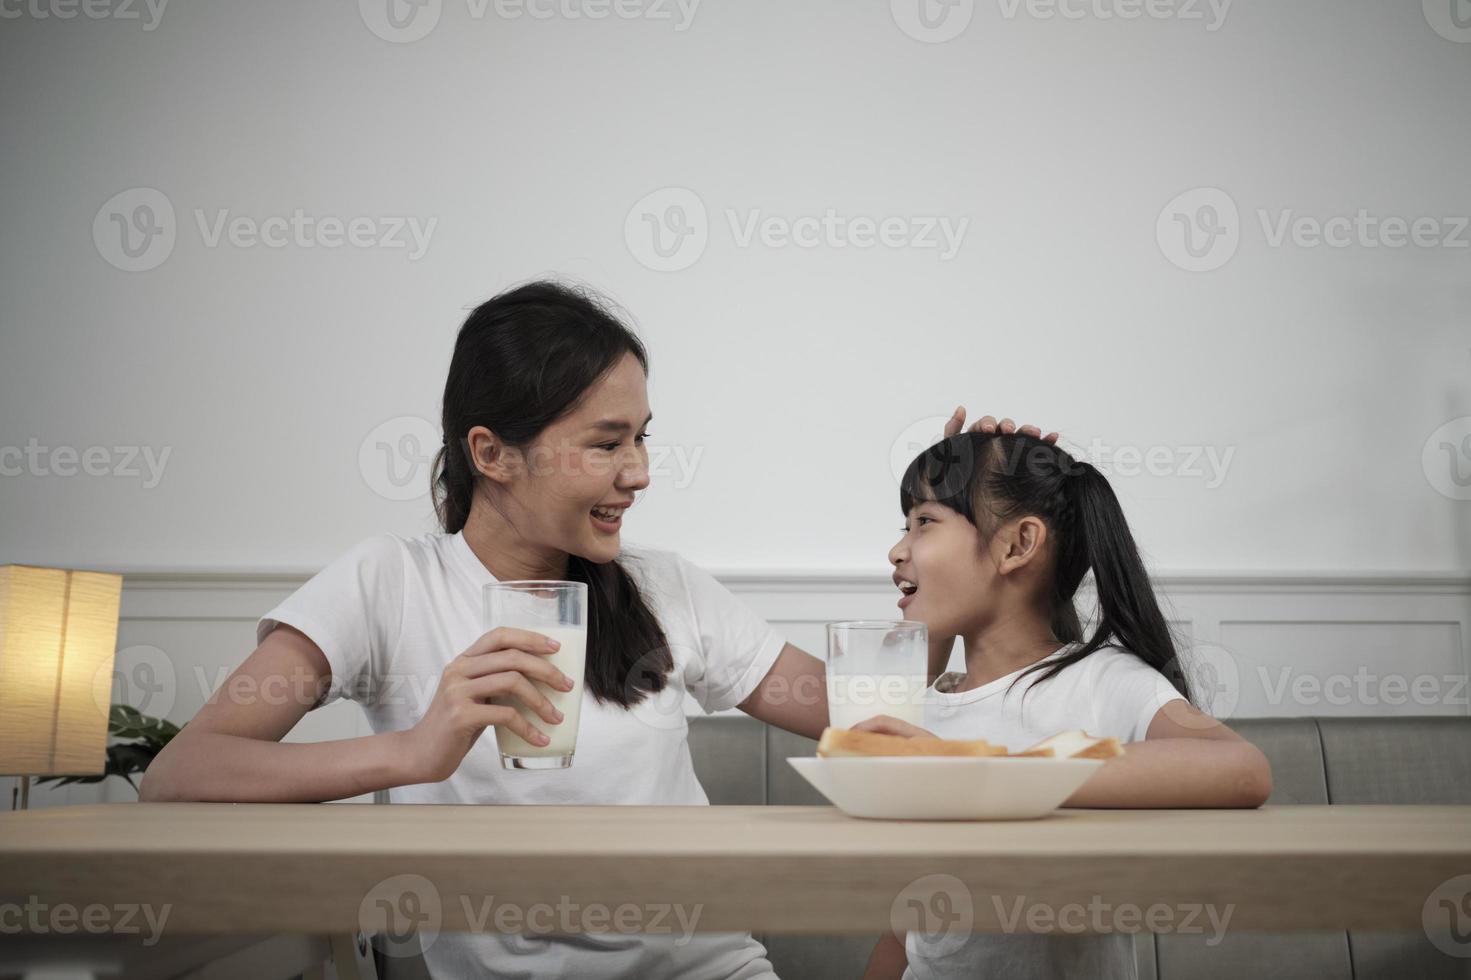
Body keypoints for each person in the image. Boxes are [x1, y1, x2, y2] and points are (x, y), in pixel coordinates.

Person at [857, 431, 1272, 980]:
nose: (897, 550)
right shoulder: (925, 712)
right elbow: (910, 915)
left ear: (1017, 544)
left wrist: (991, 773)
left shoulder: (1099, 681)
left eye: (925, 522)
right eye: (903, 526)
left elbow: (1242, 769)